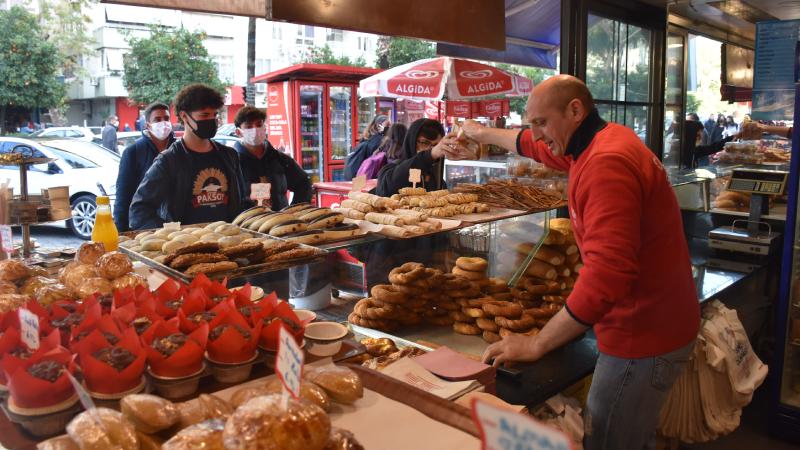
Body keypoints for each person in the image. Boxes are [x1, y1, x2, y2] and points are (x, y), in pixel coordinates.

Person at [462, 75, 700, 450]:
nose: (537, 135)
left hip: (642, 334)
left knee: (610, 441)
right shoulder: (602, 139)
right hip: (656, 321)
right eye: (532, 124)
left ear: (575, 110)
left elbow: (608, 274)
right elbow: (534, 147)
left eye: (541, 122)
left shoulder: (606, 164)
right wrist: (482, 133)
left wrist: (538, 343)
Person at [129, 84, 246, 229]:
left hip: (227, 245)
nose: (211, 120)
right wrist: (173, 234)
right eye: (204, 115)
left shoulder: (229, 155)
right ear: (184, 116)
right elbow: (139, 211)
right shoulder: (168, 161)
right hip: (187, 248)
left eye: (214, 115)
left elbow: (242, 202)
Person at [233, 106, 312, 211]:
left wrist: (294, 211)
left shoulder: (280, 159)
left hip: (279, 223)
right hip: (245, 224)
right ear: (238, 132)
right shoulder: (232, 162)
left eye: (259, 125)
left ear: (264, 128)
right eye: (249, 127)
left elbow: (303, 183)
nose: (255, 130)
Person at [114, 102, 176, 231]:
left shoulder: (178, 149)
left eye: (166, 118)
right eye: (157, 119)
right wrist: (122, 231)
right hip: (145, 226)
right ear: (148, 124)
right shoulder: (134, 152)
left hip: (176, 226)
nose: (163, 123)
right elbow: (123, 196)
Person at [374, 118, 467, 197]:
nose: (430, 149)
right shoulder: (390, 171)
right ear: (412, 141)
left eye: (436, 145)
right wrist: (429, 155)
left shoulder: (436, 177)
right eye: (424, 143)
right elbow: (386, 189)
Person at [343, 115, 390, 179]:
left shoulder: (366, 138)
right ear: (379, 126)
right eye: (387, 125)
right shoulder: (380, 141)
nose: (390, 128)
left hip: (362, 177)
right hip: (372, 178)